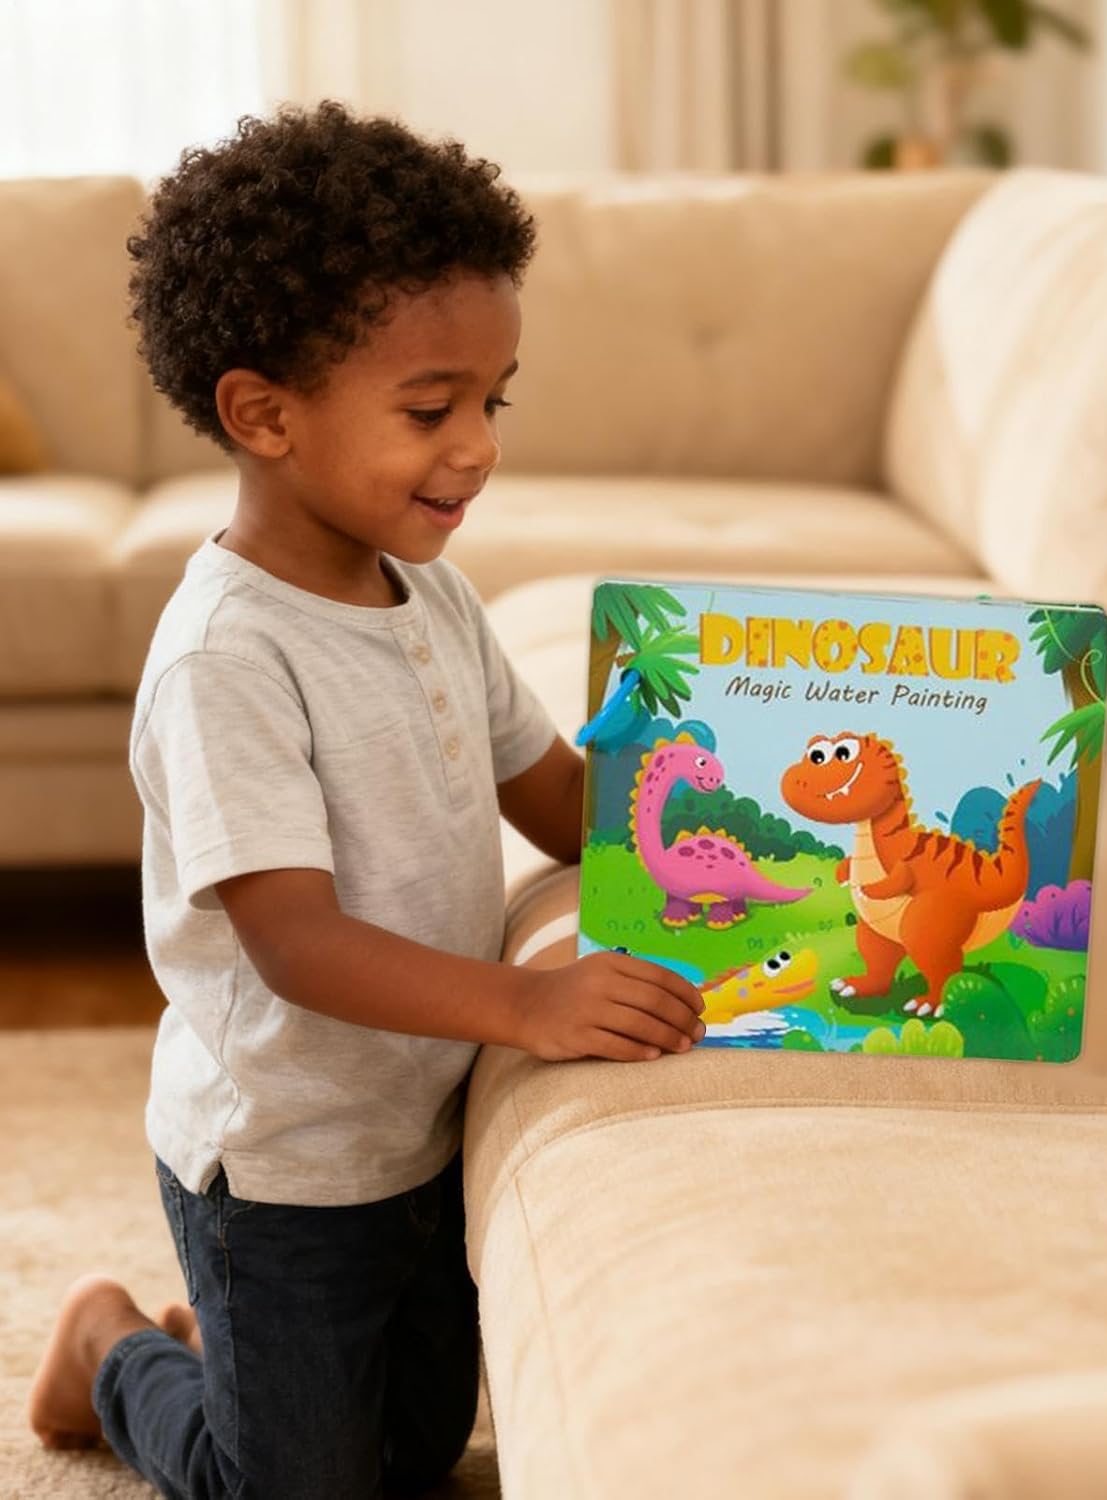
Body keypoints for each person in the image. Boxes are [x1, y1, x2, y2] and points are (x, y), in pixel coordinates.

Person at [27, 100, 704, 1498]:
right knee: (292, 1487)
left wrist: (714, 822)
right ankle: (107, 1347)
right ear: (263, 414)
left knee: (416, 1448)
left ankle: (218, 1366)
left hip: (422, 1121)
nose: (480, 447)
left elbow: (555, 796)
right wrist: (530, 1006)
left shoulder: (432, 597)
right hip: (283, 1162)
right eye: (430, 410)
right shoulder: (229, 658)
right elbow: (297, 942)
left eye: (494, 401)